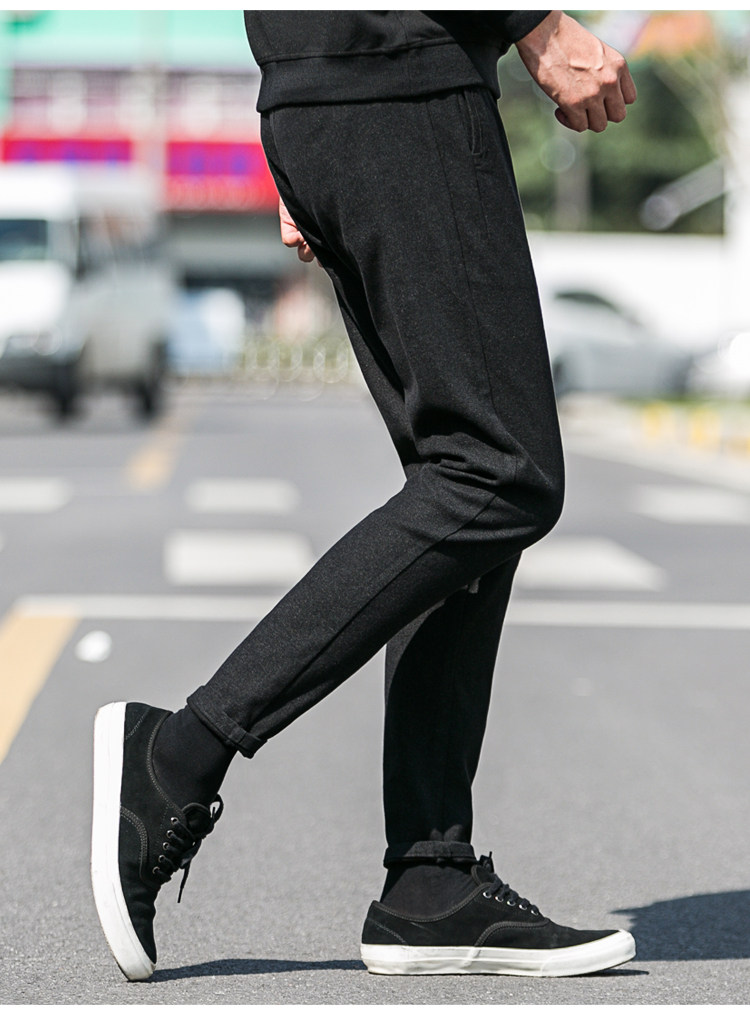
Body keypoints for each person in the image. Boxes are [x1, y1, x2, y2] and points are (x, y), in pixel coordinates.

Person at [91, 10, 638, 982]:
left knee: (462, 473)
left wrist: (308, 105)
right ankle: (177, 756)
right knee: (498, 473)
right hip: (403, 81)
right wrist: (534, 23)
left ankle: (430, 884)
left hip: (342, 90)